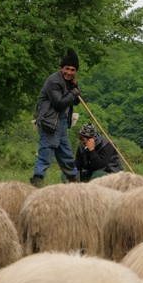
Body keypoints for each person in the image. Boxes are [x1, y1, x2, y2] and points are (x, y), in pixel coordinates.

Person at [31, 49, 82, 186]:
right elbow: (59, 103)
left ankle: (74, 181)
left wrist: (75, 88)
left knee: (66, 154)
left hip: (62, 122)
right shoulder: (53, 81)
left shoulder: (69, 82)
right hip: (50, 122)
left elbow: (76, 100)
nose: (69, 72)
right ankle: (37, 180)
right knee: (46, 153)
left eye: (73, 70)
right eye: (67, 69)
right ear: (61, 68)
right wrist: (73, 92)